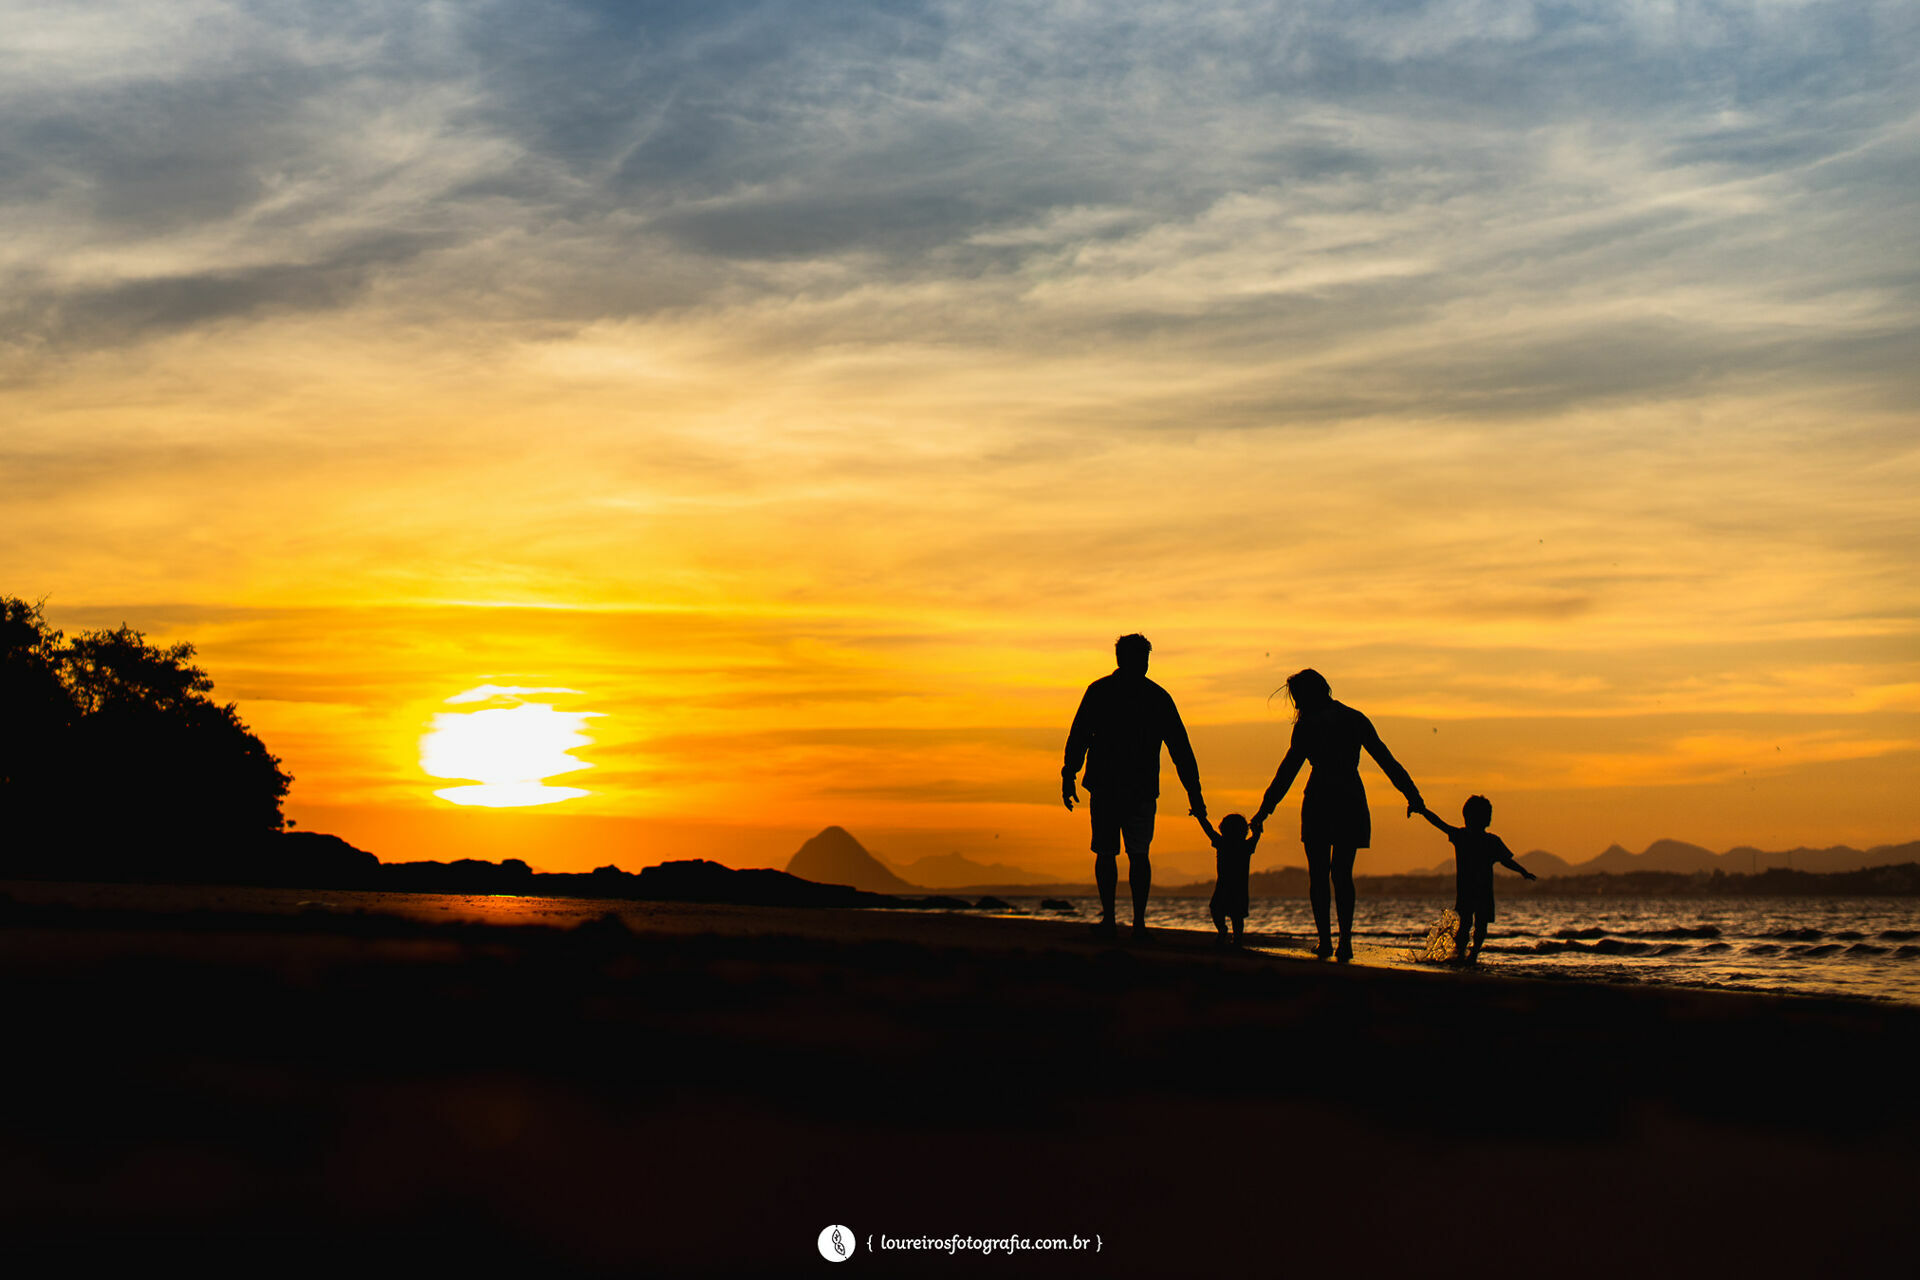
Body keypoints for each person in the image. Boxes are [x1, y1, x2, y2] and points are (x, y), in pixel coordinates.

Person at [1250, 669, 1422, 962]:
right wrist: (1412, 795)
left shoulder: (1308, 725)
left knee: (1319, 875)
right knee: (1342, 874)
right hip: (1350, 796)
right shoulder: (1355, 718)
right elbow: (1386, 760)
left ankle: (1326, 942)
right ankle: (1344, 942)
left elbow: (1288, 770)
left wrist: (1265, 809)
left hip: (1320, 797)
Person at [1062, 634, 1206, 940]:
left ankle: (1131, 921)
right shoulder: (1128, 694)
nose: (1143, 664)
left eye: (1145, 659)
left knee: (1129, 853)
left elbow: (1181, 749)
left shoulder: (1133, 695)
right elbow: (1080, 735)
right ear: (1123, 659)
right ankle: (1117, 920)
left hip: (1130, 788)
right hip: (1113, 785)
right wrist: (1068, 773)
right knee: (1112, 852)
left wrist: (1195, 793)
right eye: (1139, 658)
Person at [1415, 794, 1536, 964]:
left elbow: (1506, 861)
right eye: (1486, 815)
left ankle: (1467, 955)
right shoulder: (1472, 838)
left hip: (1476, 890)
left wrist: (1523, 871)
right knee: (1472, 924)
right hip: (1475, 890)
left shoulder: (1482, 839)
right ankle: (1466, 954)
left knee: (1474, 923)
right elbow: (1438, 823)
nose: (1488, 818)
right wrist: (1422, 811)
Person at [1195, 812, 1259, 947]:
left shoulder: (1222, 843)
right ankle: (1237, 939)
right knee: (1237, 917)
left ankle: (1223, 930)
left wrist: (1201, 817)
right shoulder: (1245, 846)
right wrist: (1257, 827)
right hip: (1239, 887)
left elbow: (1209, 830)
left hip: (1225, 885)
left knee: (1217, 910)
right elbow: (1256, 836)